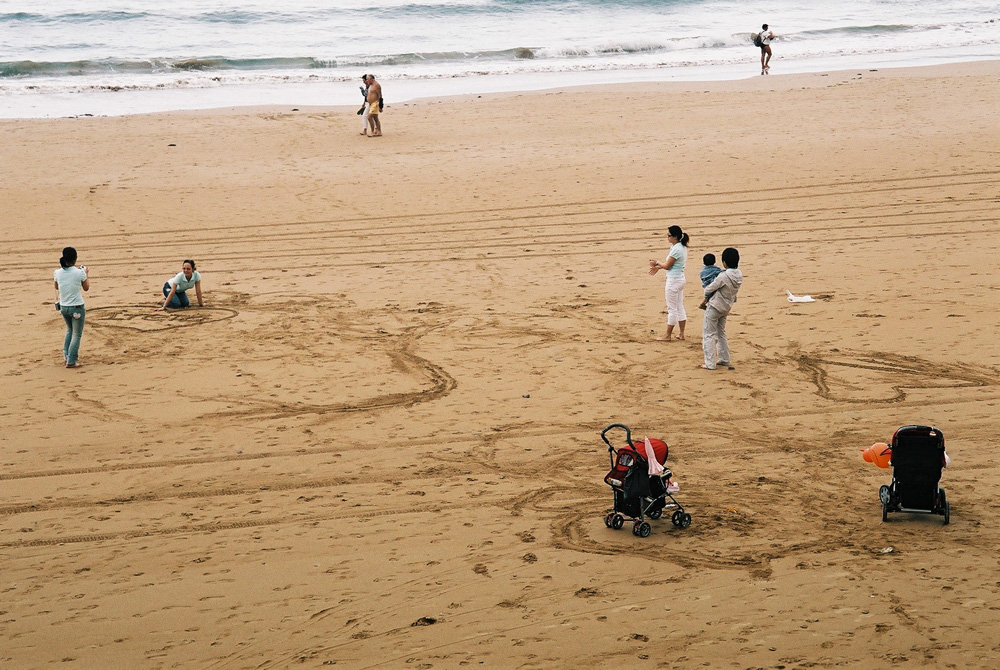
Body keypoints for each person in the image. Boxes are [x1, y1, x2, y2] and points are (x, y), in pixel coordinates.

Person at [701, 247, 743, 370]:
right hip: (727, 306)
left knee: (708, 334)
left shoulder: (723, 276)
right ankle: (725, 359)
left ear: (724, 262)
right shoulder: (739, 275)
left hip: (715, 306)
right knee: (721, 332)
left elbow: (708, 289)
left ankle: (710, 363)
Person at [648, 225, 689, 341]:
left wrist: (657, 263)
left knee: (672, 309)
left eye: (669, 236)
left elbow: (667, 265)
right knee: (679, 306)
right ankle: (681, 334)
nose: (668, 238)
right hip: (680, 278)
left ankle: (667, 335)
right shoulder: (681, 247)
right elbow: (672, 265)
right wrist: (658, 267)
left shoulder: (676, 249)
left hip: (674, 281)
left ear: (675, 237)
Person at [53, 246, 90, 369]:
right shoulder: (79, 273)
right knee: (77, 334)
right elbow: (86, 288)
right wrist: (85, 274)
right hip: (76, 306)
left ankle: (66, 355)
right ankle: (71, 360)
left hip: (64, 307)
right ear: (75, 258)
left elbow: (57, 286)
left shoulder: (57, 272)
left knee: (69, 330)